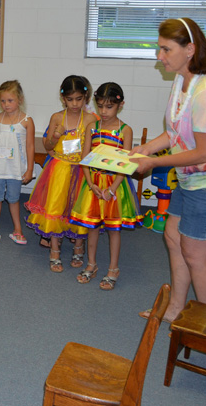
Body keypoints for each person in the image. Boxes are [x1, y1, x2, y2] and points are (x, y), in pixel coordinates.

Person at [131, 17, 206, 322]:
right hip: (192, 179)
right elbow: (175, 134)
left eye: (166, 49)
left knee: (197, 256)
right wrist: (146, 149)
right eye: (159, 49)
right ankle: (176, 308)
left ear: (190, 49)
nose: (160, 57)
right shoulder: (184, 81)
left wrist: (154, 162)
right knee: (173, 237)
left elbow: (205, 151)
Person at [69, 83, 143, 290]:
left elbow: (126, 164)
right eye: (100, 106)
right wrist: (90, 183)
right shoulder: (92, 127)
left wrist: (112, 189)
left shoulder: (125, 130)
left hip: (115, 185)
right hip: (93, 183)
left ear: (120, 105)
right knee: (92, 225)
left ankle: (113, 269)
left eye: (109, 107)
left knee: (113, 229)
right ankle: (91, 264)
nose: (103, 111)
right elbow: (85, 158)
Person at [25, 75, 96, 272]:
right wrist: (56, 135)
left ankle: (79, 247)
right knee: (55, 207)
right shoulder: (57, 117)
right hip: (60, 169)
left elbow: (95, 147)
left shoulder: (90, 119)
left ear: (86, 97)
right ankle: (54, 250)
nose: (74, 104)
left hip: (82, 170)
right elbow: (47, 145)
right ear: (63, 98)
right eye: (70, 99)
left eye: (79, 99)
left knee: (78, 207)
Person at [0, 80, 35, 245]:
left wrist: (29, 169)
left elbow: (30, 146)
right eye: (3, 101)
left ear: (19, 99)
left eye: (10, 100)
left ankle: (17, 230)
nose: (6, 104)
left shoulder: (26, 121)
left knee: (13, 199)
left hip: (15, 169)